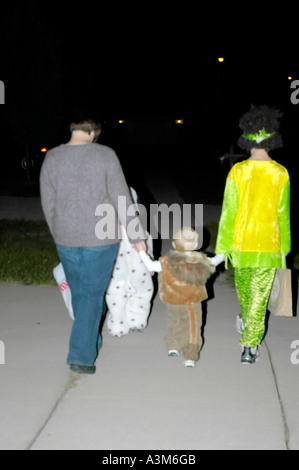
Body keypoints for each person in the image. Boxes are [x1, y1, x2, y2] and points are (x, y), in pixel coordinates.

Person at [40, 116, 146, 374]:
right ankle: (81, 356)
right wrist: (136, 235)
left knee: (81, 293)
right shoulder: (105, 155)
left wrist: (58, 233)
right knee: (90, 295)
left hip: (66, 237)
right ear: (94, 131)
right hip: (101, 238)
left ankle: (90, 340)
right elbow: (121, 196)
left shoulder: (52, 157)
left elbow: (48, 201)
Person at [215, 104, 291, 364]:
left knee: (249, 295)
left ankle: (249, 344)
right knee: (256, 297)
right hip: (268, 246)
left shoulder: (238, 172)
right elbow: (284, 216)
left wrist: (223, 248)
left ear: (246, 140)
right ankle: (250, 336)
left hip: (241, 245)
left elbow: (229, 213)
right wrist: (285, 249)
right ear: (272, 140)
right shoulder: (281, 173)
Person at [136, 227, 218, 368]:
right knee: (192, 327)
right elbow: (214, 261)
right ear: (197, 245)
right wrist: (224, 254)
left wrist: (141, 252)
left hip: (172, 301)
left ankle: (173, 345)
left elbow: (151, 265)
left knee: (174, 321)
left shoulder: (166, 261)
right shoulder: (200, 260)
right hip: (191, 302)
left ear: (173, 245)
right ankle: (190, 355)